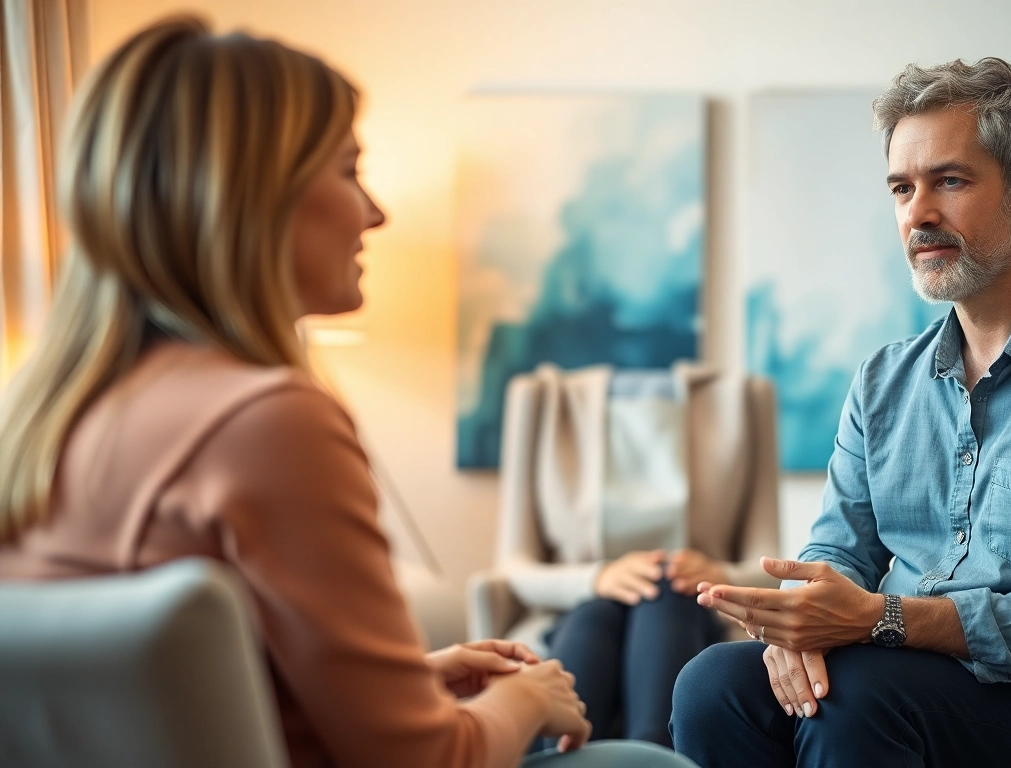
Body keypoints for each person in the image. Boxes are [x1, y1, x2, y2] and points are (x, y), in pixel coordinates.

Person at [0, 16, 694, 768]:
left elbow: (179, 706)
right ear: (248, 194)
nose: (376, 212)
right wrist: (525, 696)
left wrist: (412, 681)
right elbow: (427, 762)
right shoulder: (265, 423)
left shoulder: (41, 416)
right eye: (347, 170)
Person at [671, 57, 1011, 767]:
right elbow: (840, 550)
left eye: (949, 181)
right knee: (711, 682)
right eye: (902, 188)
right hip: (883, 674)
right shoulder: (883, 379)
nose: (918, 214)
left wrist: (886, 619)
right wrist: (793, 628)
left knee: (858, 698)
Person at [493, 362, 780, 749]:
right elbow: (513, 567)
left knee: (664, 597)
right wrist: (596, 579)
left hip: (688, 598)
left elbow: (771, 566)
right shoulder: (542, 401)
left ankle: (630, 751)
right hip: (585, 600)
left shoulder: (743, 400)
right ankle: (642, 752)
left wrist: (718, 572)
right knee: (597, 613)